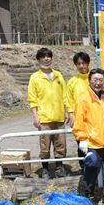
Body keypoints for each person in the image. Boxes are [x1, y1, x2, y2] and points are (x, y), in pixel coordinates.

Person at [72, 68, 104, 205]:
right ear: (89, 81)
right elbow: (79, 121)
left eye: (100, 80)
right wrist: (81, 138)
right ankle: (88, 194)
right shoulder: (83, 98)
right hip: (92, 143)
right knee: (92, 166)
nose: (98, 83)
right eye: (95, 80)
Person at [27, 47, 68, 180]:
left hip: (59, 116)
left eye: (48, 56)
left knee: (60, 144)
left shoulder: (58, 75)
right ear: (39, 59)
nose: (46, 59)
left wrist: (66, 110)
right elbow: (32, 98)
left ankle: (59, 167)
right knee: (45, 145)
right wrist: (35, 115)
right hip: (44, 118)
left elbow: (65, 94)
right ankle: (45, 169)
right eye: (43, 57)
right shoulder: (35, 77)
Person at [66, 52, 91, 171]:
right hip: (78, 118)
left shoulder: (95, 78)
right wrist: (71, 114)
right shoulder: (72, 81)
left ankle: (96, 167)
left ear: (88, 63)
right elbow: (68, 99)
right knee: (81, 144)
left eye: (83, 63)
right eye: (79, 64)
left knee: (94, 143)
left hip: (94, 118)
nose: (81, 66)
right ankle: (84, 167)